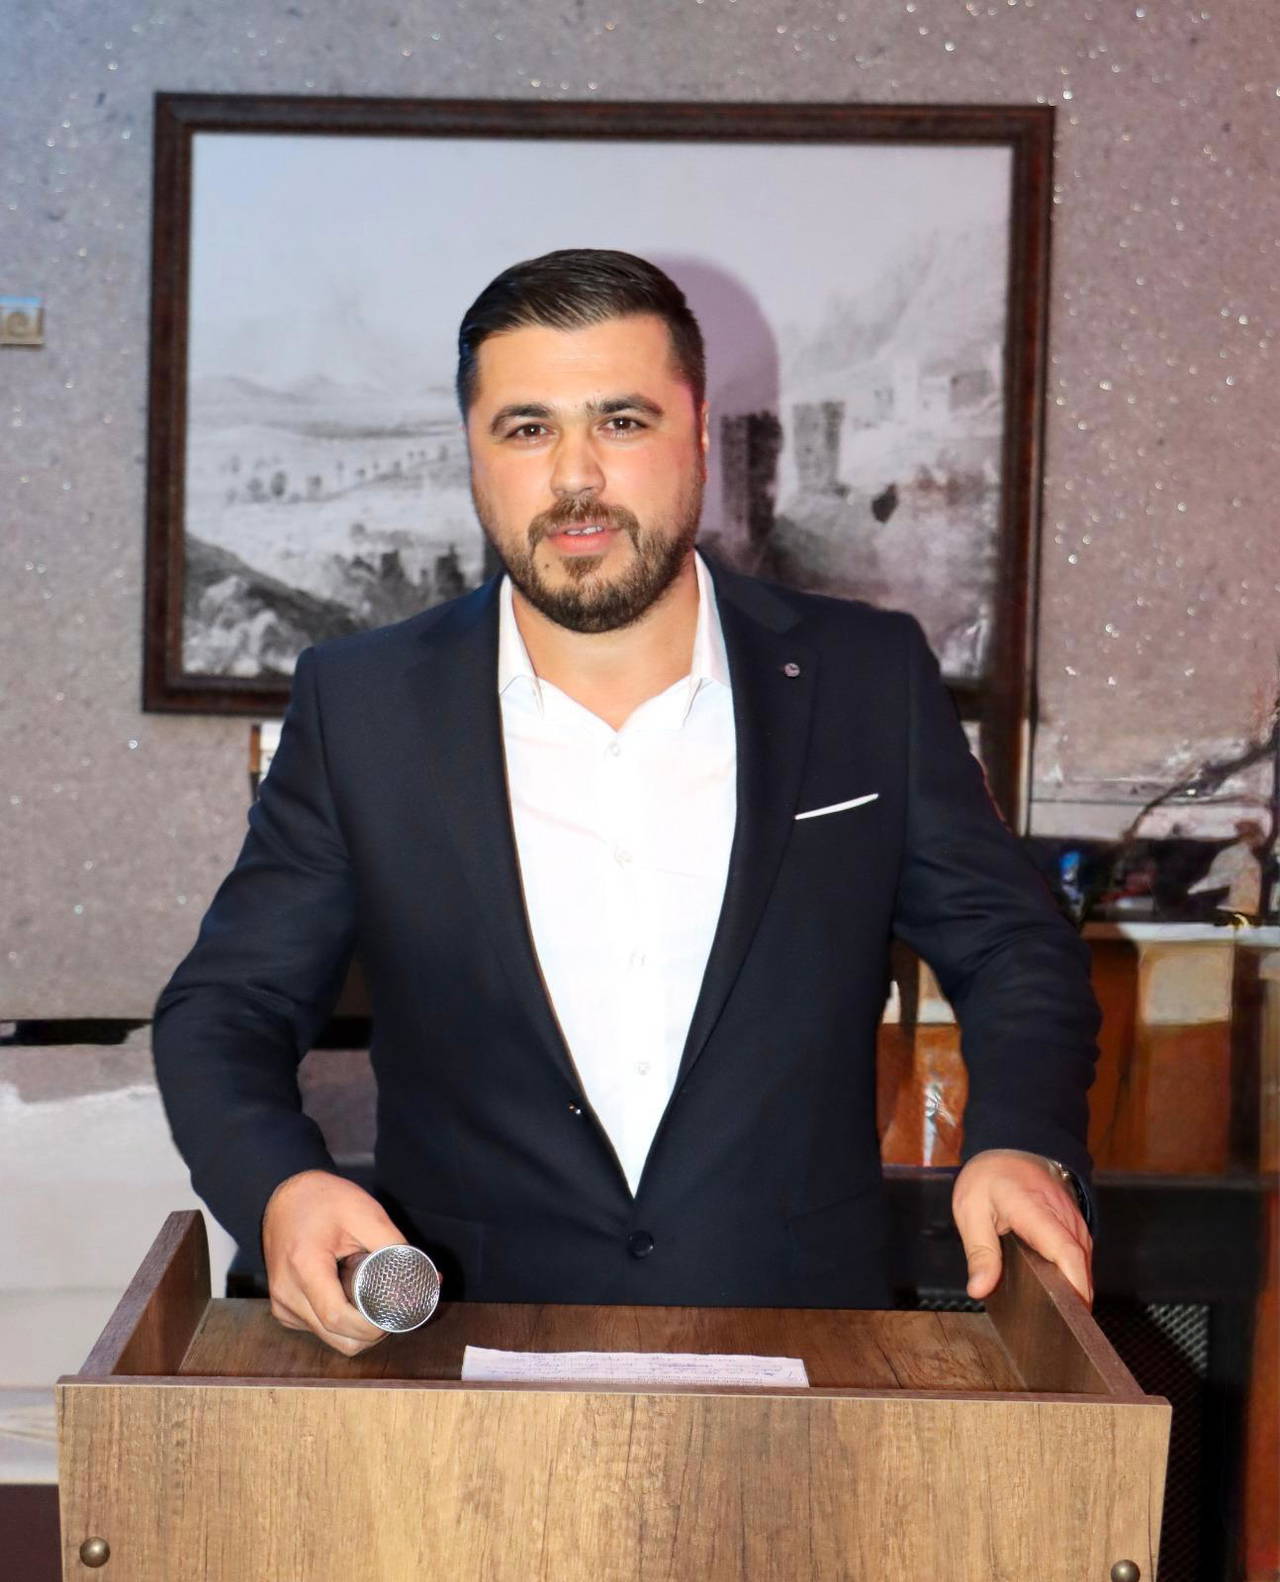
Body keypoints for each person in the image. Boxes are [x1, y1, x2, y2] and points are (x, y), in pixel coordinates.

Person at [153, 249, 1100, 1358]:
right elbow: (226, 1006)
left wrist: (1021, 1138)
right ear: (473, 451)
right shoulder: (361, 705)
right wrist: (278, 1186)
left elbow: (1011, 945)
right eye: (527, 428)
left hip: (804, 1344)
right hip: (459, 1354)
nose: (575, 476)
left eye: (620, 420)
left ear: (697, 433)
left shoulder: (864, 677)